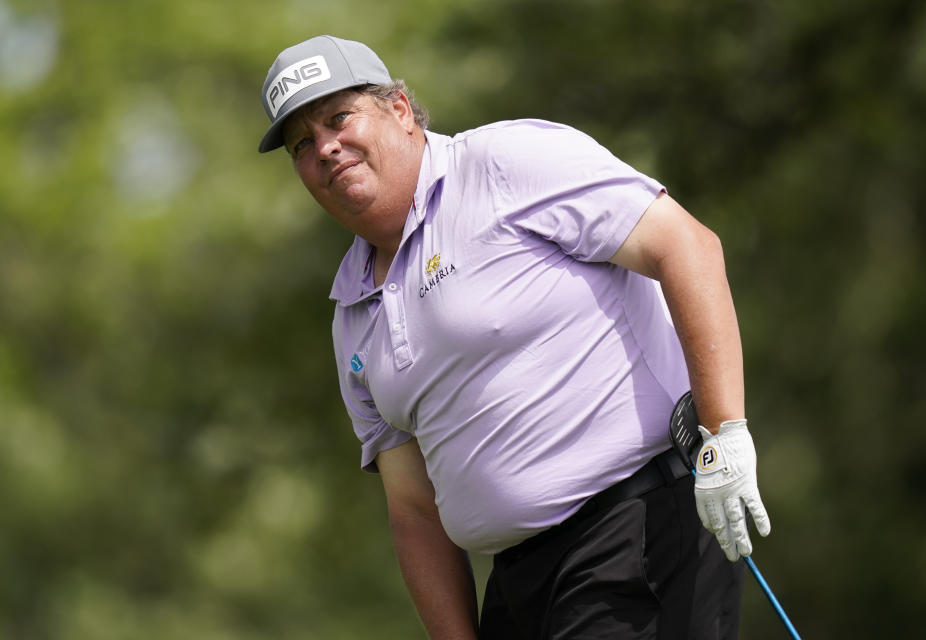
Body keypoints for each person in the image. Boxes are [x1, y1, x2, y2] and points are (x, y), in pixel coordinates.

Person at [258, 35, 771, 640]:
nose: (325, 148)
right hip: (518, 586)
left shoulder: (505, 163)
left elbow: (686, 247)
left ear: (397, 108)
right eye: (302, 144)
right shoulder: (351, 309)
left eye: (338, 118)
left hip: (635, 531)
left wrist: (726, 433)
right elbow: (415, 508)